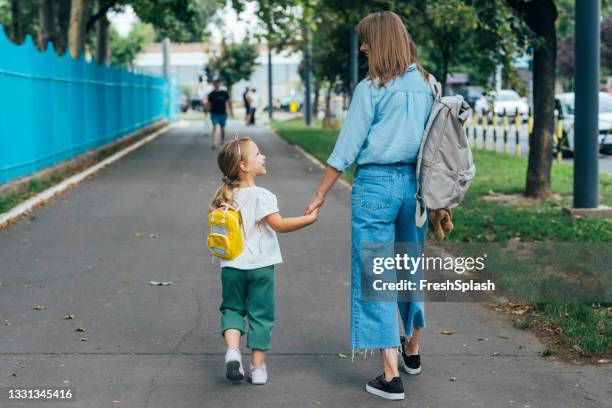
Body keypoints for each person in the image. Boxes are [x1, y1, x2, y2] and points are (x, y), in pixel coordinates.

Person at [304, 11, 433, 401]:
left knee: (377, 273)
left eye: (366, 40)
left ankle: (390, 376)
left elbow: (347, 148)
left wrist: (321, 192)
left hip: (376, 185)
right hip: (416, 187)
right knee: (410, 266)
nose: (362, 47)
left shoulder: (371, 88)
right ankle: (412, 349)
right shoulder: (428, 84)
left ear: (380, 42)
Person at [211, 136, 319, 385]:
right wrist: (309, 220)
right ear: (244, 166)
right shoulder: (262, 196)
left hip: (231, 266)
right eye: (258, 154)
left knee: (232, 308)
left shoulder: (224, 196)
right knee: (261, 314)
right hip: (261, 267)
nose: (264, 157)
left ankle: (232, 351)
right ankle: (258, 368)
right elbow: (279, 225)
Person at [207, 79, 232, 150]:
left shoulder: (224, 93)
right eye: (215, 84)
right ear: (214, 85)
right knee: (215, 126)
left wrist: (231, 111)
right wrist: (206, 110)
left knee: (222, 128)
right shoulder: (211, 94)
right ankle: (214, 143)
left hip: (223, 113)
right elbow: (209, 104)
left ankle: (222, 140)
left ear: (220, 84)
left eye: (218, 84)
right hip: (214, 113)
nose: (217, 85)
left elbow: (229, 102)